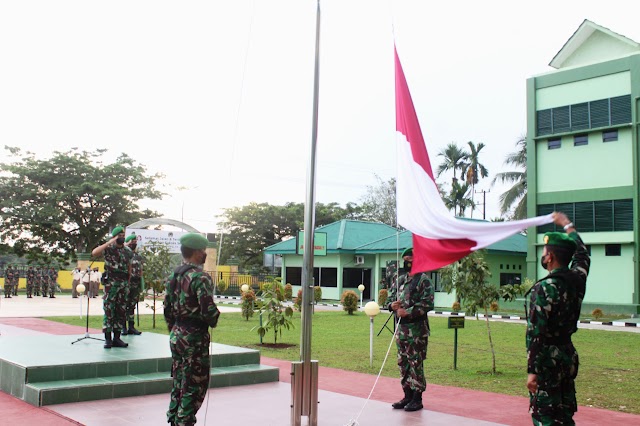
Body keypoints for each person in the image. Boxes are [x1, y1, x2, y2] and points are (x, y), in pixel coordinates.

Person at [526, 212, 589, 425]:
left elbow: (536, 333)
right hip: (567, 356)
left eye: (544, 252)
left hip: (547, 361)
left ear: (550, 257)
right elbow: (582, 254)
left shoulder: (544, 289)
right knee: (564, 411)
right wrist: (567, 225)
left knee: (545, 414)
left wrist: (532, 371)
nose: (543, 255)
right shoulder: (577, 280)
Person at [164, 233, 220, 426]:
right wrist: (214, 318)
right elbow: (208, 311)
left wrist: (175, 330)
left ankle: (173, 418)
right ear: (197, 252)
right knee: (193, 384)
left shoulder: (174, 275)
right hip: (194, 338)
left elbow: (167, 309)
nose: (205, 254)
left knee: (179, 381)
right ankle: (184, 421)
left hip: (177, 335)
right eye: (203, 251)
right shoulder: (200, 277)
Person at [386, 247, 434, 412]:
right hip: (401, 330)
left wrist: (409, 312)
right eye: (405, 260)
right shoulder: (400, 280)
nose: (407, 263)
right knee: (403, 363)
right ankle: (407, 395)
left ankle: (417, 398)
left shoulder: (423, 280)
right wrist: (392, 305)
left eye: (410, 260)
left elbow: (428, 303)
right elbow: (390, 298)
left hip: (417, 331)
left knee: (416, 363)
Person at [92, 226, 133, 349]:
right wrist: (108, 242)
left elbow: (129, 266)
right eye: (119, 235)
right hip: (111, 283)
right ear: (114, 237)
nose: (122, 237)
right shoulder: (109, 249)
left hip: (123, 283)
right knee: (109, 310)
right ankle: (108, 339)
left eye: (123, 235)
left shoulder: (127, 251)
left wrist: (128, 282)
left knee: (121, 311)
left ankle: (117, 337)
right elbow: (94, 253)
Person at [122, 234, 142, 336]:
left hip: (136, 283)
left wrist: (141, 284)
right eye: (132, 241)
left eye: (135, 241)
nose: (134, 243)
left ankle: (131, 327)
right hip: (126, 283)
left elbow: (141, 270)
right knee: (124, 305)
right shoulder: (124, 254)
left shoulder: (138, 256)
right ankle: (123, 327)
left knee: (132, 306)